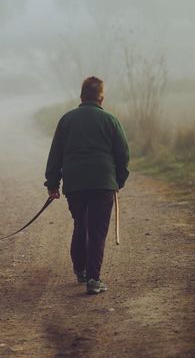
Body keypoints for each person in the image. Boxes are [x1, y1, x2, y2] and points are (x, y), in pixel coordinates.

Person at [44, 76, 130, 295]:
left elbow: (55, 154)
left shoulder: (67, 120)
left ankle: (80, 270)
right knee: (97, 230)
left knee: (81, 224)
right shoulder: (111, 120)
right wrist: (118, 181)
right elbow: (123, 154)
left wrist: (53, 183)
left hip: (75, 184)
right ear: (101, 97)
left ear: (81, 96)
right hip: (103, 184)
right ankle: (93, 279)